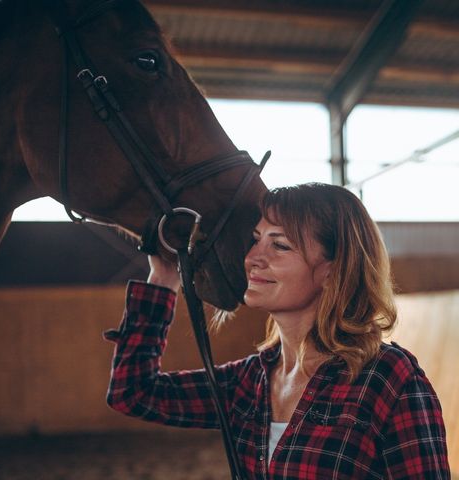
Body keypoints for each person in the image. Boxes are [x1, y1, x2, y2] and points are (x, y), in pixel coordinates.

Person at [104, 182, 450, 479]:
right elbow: (133, 393)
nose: (253, 257)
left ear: (332, 271)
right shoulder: (250, 381)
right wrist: (164, 278)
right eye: (257, 239)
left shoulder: (388, 378)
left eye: (279, 245)